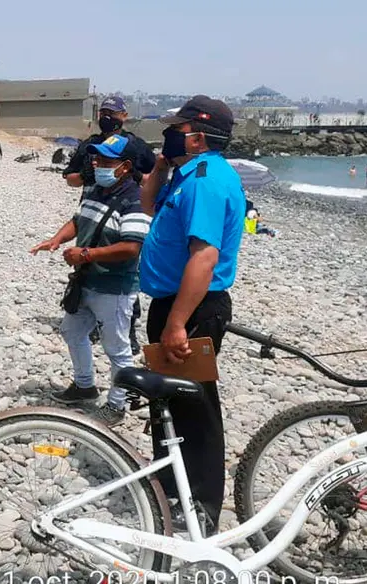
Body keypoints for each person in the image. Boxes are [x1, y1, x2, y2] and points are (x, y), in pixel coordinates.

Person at [139, 95, 245, 532]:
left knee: (195, 408)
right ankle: (169, 487)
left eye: (177, 130)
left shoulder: (205, 179)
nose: (170, 135)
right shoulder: (186, 175)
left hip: (194, 308)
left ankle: (199, 504)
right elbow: (150, 208)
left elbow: (203, 257)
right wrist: (161, 167)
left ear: (197, 137)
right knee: (168, 403)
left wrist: (178, 322)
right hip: (174, 303)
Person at [32, 135, 150, 426]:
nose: (97, 164)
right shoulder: (97, 189)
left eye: (105, 160)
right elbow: (78, 219)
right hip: (86, 282)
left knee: (117, 348)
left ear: (124, 167)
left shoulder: (136, 201)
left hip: (114, 287)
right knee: (72, 331)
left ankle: (117, 405)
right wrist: (56, 239)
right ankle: (84, 386)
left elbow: (132, 247)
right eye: (97, 159)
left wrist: (86, 254)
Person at [62, 96, 155, 356]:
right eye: (103, 112)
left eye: (112, 113)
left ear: (124, 115)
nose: (107, 117)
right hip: (92, 210)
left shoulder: (136, 146)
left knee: (123, 268)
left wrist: (136, 177)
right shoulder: (88, 146)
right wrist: (85, 175)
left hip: (123, 211)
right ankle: (89, 321)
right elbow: (69, 179)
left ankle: (128, 327)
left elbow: (156, 176)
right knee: (88, 265)